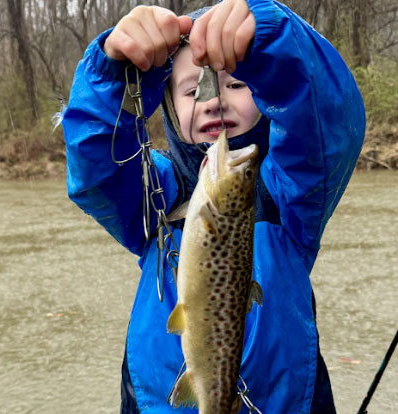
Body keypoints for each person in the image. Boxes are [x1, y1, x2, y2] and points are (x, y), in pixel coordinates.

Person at [61, 0, 365, 412]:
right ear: (168, 105)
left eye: (237, 84)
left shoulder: (289, 194)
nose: (214, 100)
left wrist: (272, 40)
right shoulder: (154, 193)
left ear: (266, 97)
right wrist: (114, 74)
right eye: (192, 90)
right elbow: (95, 169)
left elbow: (327, 122)